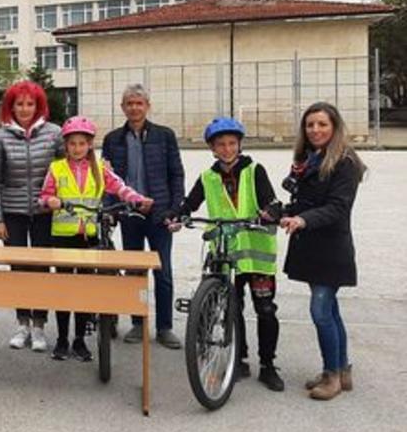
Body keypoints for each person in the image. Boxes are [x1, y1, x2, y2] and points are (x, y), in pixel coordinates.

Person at [168, 118, 284, 391]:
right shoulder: (208, 177)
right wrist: (176, 215)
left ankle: (268, 365)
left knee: (265, 309)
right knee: (233, 307)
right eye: (221, 144)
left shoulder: (254, 170)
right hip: (224, 252)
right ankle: (239, 359)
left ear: (239, 145)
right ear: (212, 148)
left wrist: (272, 212)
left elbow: (271, 200)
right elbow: (190, 202)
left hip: (256, 256)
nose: (227, 149)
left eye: (232, 143)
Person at [40, 116, 150, 362]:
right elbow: (43, 196)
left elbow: (121, 187)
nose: (77, 148)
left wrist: (138, 199)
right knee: (64, 289)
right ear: (66, 145)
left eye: (82, 143)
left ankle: (79, 340)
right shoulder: (56, 168)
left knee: (84, 290)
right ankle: (61, 339)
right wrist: (50, 201)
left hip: (89, 237)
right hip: (63, 236)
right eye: (72, 144)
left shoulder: (100, 170)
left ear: (90, 144)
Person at [279, 102, 365, 401]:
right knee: (330, 310)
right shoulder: (310, 159)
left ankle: (332, 376)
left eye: (322, 124)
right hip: (311, 246)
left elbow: (338, 208)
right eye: (310, 125)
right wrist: (283, 211)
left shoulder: (345, 162)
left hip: (331, 249)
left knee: (320, 310)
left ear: (335, 127)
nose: (315, 130)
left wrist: (303, 220)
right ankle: (341, 371)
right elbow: (304, 200)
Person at [101, 84, 184, 349]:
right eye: (129, 103)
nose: (134, 108)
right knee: (134, 271)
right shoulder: (113, 139)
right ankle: (138, 323)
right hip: (129, 215)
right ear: (122, 107)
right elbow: (106, 179)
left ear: (147, 106)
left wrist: (174, 209)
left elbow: (176, 174)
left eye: (139, 103)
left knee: (163, 272)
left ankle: (164, 327)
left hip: (160, 214)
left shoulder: (164, 136)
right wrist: (110, 210)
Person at [0, 81, 63, 352]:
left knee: (42, 269)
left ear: (38, 106)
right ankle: (22, 324)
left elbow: (69, 167)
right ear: (11, 106)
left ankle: (40, 326)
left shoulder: (54, 133)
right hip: (13, 212)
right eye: (19, 104)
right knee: (19, 268)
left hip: (46, 213)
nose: (24, 109)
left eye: (29, 104)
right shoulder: (0, 137)